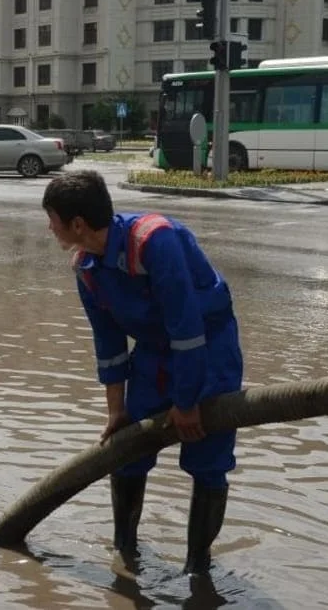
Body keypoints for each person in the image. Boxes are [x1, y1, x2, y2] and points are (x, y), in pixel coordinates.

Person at [41, 169, 243, 576]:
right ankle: (125, 553)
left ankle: (197, 570)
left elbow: (187, 330)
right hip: (154, 355)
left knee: (207, 455)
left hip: (207, 348)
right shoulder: (86, 266)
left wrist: (186, 404)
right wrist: (116, 411)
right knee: (127, 451)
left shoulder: (154, 241)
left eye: (52, 219)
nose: (50, 228)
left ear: (77, 224)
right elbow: (110, 343)